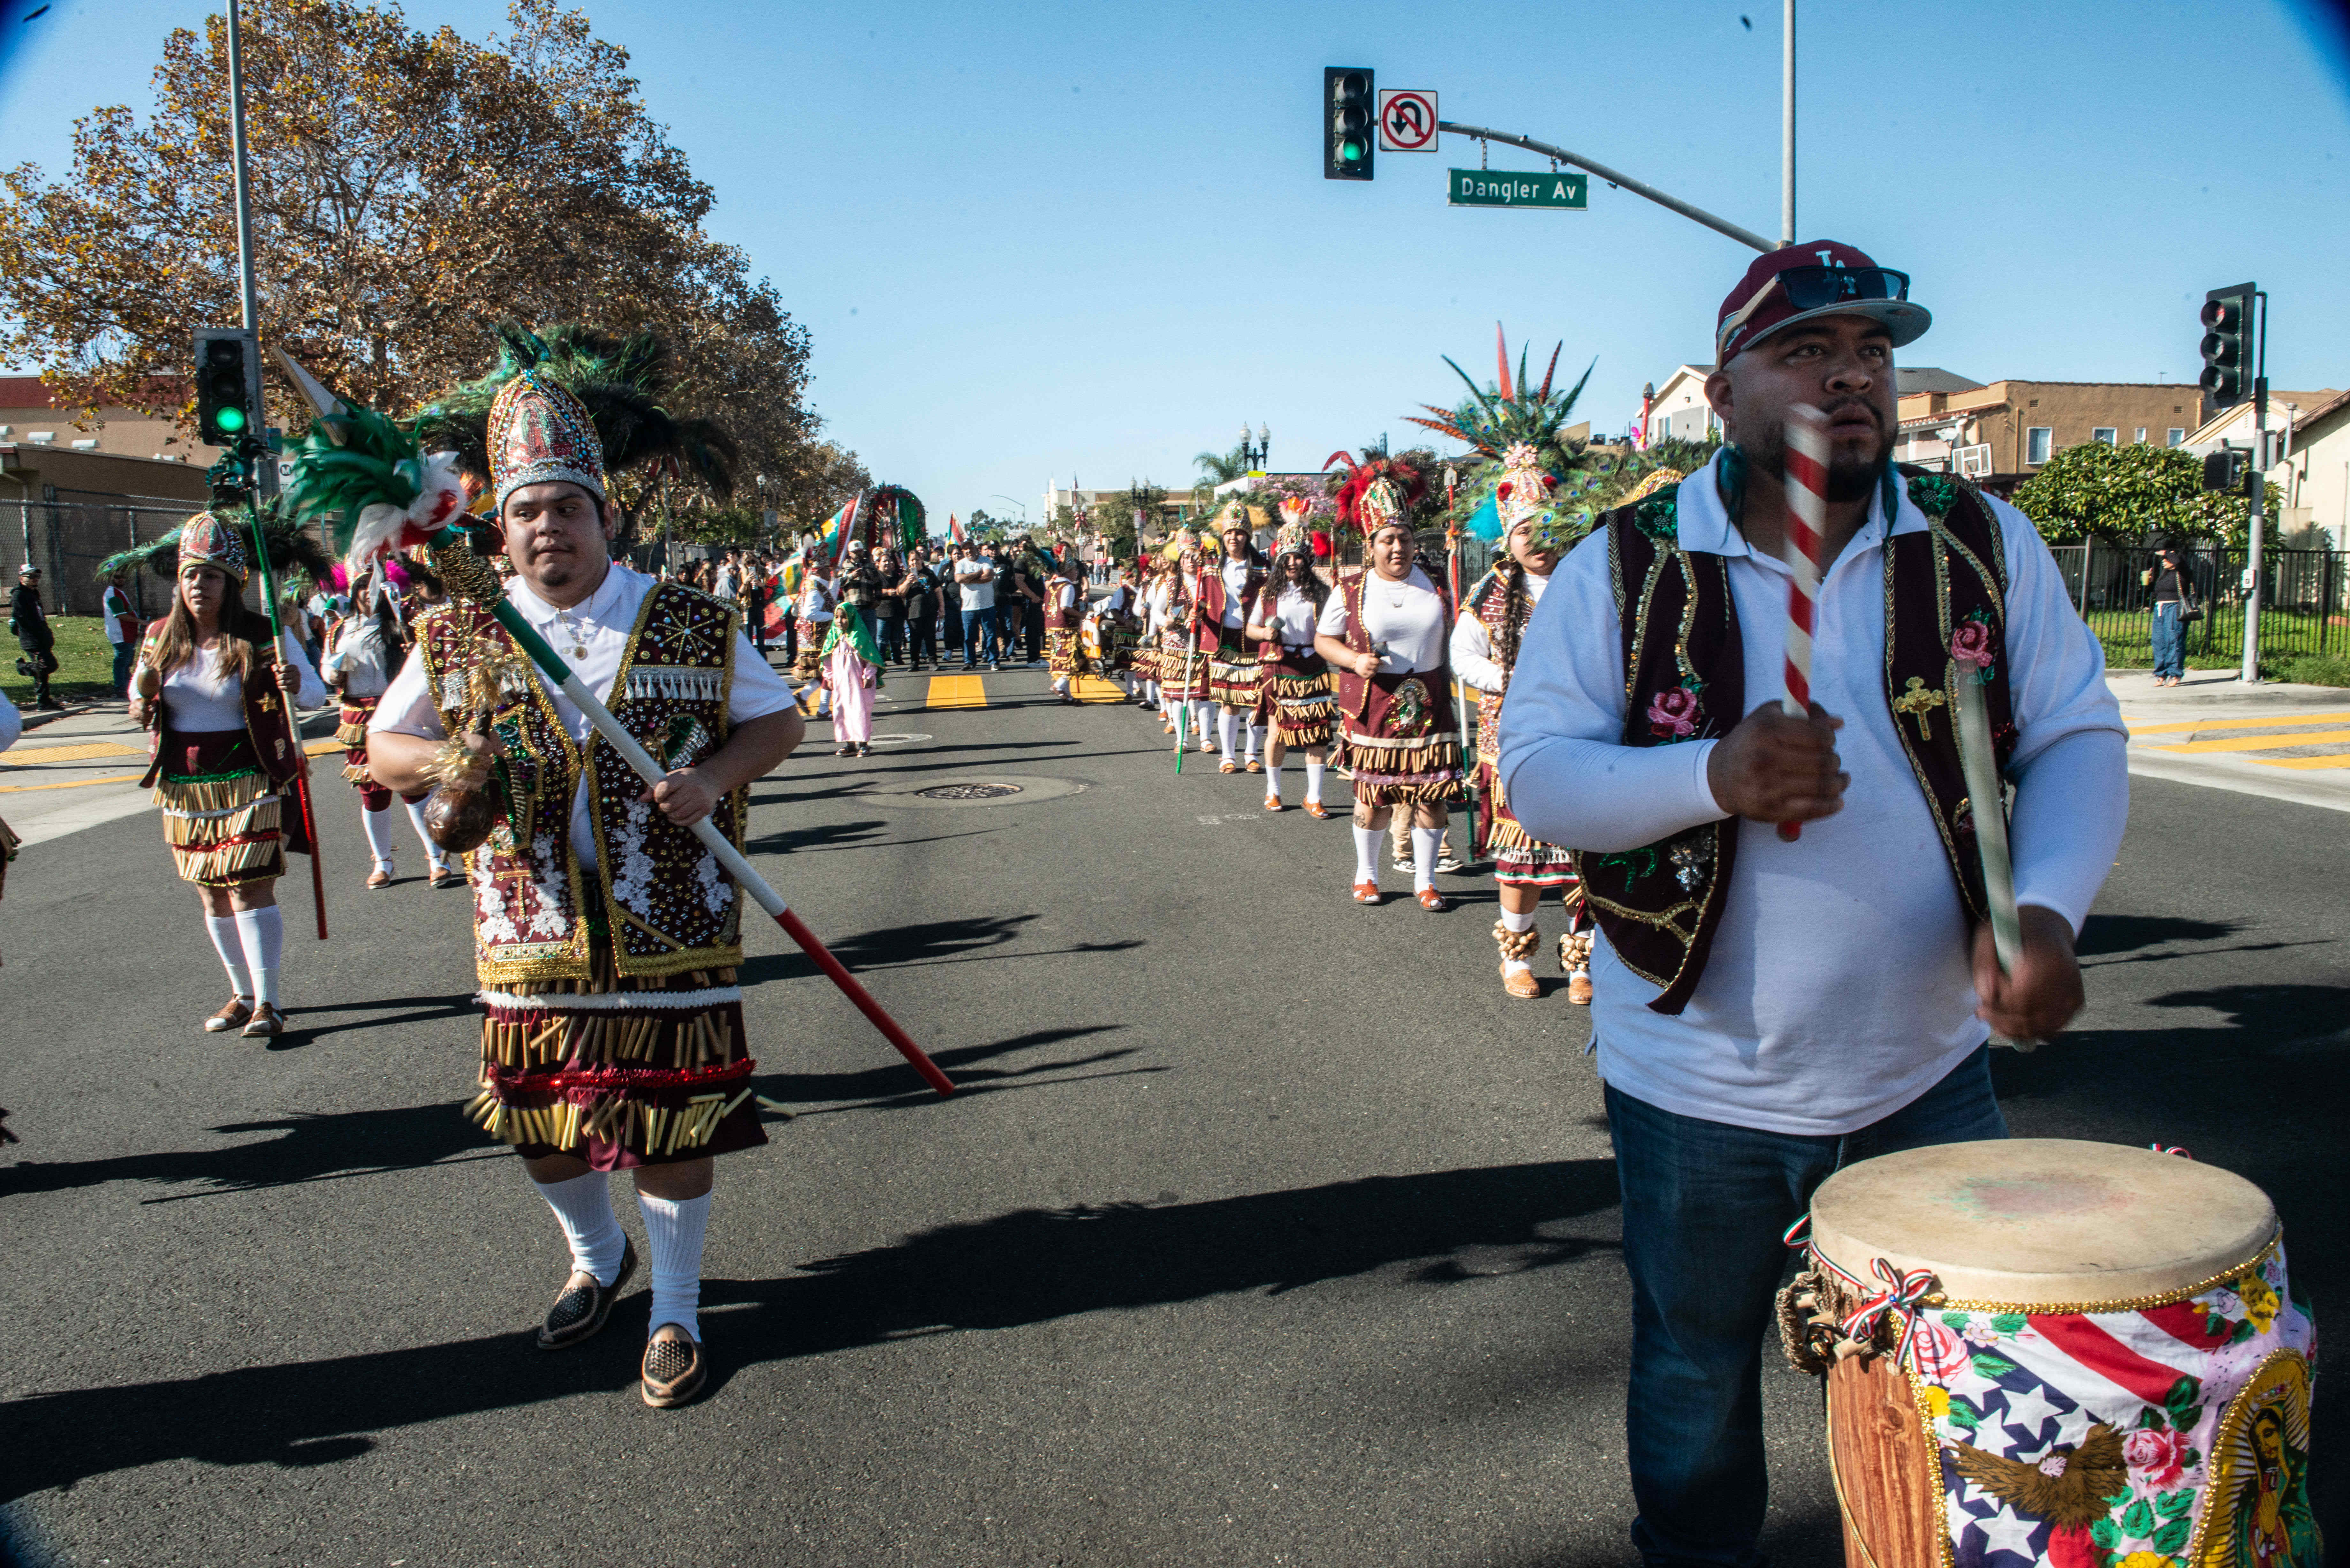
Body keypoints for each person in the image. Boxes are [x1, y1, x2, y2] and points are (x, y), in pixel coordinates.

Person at [1495, 240, 2129, 1568]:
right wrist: (1710, 773)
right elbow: (1540, 775)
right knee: (1694, 1375)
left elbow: (2073, 735)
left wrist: (2048, 913)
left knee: (1947, 1399)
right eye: (1805, 351)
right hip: (1698, 1079)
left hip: (1925, 1074)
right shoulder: (1627, 563)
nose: (1851, 377)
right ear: (1720, 396)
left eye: (1871, 353)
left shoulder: (1976, 541)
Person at [364, 369, 804, 1409]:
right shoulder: (462, 635)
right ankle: (600, 1258)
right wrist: (453, 766)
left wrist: (712, 779)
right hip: (530, 933)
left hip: (672, 922)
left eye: (568, 507)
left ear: (605, 517)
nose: (549, 526)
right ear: (501, 533)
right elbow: (386, 744)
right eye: (528, 511)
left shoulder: (691, 624)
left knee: (670, 1129)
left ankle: (678, 1308)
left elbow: (778, 721)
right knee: (541, 1128)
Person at [126, 513, 328, 1038]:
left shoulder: (263, 633)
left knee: (248, 887)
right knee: (210, 892)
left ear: (232, 583)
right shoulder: (159, 637)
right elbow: (138, 696)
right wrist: (140, 703)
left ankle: (270, 1001)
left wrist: (292, 678)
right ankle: (240, 994)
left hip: (252, 776)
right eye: (191, 575)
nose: (199, 585)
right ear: (179, 581)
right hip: (185, 784)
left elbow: (313, 696)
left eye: (211, 575)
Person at [1451, 445, 1603, 1002]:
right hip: (1514, 745)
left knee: (1583, 861)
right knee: (1522, 864)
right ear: (1507, 539)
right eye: (1524, 532)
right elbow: (1463, 656)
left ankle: (1583, 961)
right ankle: (1515, 957)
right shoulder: (1488, 591)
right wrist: (1509, 678)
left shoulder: (1588, 581)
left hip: (1585, 741)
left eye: (1545, 529)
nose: (1535, 542)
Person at [1315, 456, 1460, 909]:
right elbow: (1324, 640)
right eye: (1388, 540)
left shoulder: (1439, 583)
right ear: (1371, 544)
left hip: (1432, 702)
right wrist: (1354, 661)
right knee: (1375, 798)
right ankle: (1368, 874)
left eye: (1405, 538)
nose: (1398, 548)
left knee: (1432, 796)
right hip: (1375, 704)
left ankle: (1426, 880)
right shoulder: (1350, 589)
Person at [322, 568, 459, 889]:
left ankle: (437, 858)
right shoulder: (340, 629)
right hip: (357, 716)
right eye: (363, 589)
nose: (369, 596)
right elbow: (328, 667)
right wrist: (333, 672)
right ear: (353, 593)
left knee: (414, 787)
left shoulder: (400, 626)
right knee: (373, 795)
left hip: (396, 713)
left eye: (375, 590)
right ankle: (382, 863)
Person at [1245, 508, 1337, 817]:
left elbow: (1335, 629)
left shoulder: (1323, 593)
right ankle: (1274, 791)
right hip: (1279, 667)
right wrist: (1266, 632)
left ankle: (1314, 796)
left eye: (1298, 557)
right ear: (1279, 561)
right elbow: (1251, 629)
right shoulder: (1268, 593)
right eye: (1287, 558)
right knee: (1277, 733)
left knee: (1316, 734)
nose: (1293, 563)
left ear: (1307, 558)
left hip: (1313, 667)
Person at [1206, 503, 1269, 775]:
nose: (1234, 538)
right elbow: (1204, 600)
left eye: (1240, 533)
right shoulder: (1211, 568)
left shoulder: (1265, 567)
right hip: (1225, 639)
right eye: (1230, 532)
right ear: (1223, 536)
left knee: (1258, 699)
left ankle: (1252, 754)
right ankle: (1228, 756)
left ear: (1249, 536)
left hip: (1257, 637)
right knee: (1229, 699)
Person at [1151, 529, 1217, 756]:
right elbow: (1157, 613)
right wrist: (1169, 621)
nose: (1191, 561)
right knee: (1179, 694)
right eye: (1186, 557)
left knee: (1206, 693)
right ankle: (1183, 740)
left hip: (1205, 646)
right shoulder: (1169, 585)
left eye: (1195, 556)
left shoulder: (1210, 584)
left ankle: (1207, 738)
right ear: (1180, 560)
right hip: (1177, 648)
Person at [827, 539, 885, 756]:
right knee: (842, 706)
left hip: (867, 609)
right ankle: (848, 742)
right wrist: (829, 675)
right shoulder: (844, 567)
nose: (858, 555)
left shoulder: (870, 565)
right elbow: (838, 583)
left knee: (860, 705)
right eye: (855, 552)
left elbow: (878, 583)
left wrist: (869, 672)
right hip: (851, 607)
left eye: (861, 551)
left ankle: (862, 742)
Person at [2144, 537, 2197, 686]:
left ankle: (2175, 674)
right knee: (2158, 641)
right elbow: (2157, 593)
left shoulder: (2183, 570)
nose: (2164, 561)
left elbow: (2178, 561)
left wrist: (2167, 551)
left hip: (2175, 608)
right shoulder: (2165, 574)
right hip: (2160, 608)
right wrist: (2151, 581)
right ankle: (2161, 674)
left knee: (2174, 640)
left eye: (2166, 559)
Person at [11, 564, 60, 711]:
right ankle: (22, 667)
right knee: (45, 666)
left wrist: (46, 633)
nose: (35, 579)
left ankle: (44, 701)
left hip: (42, 637)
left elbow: (40, 616)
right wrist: (34, 634)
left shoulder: (34, 594)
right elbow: (21, 618)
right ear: (21, 578)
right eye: (31, 577)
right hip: (32, 639)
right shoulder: (19, 595)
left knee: (46, 669)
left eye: (37, 577)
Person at [791, 554, 835, 713]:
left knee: (826, 672)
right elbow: (810, 614)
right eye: (827, 570)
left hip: (814, 639)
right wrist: (834, 616)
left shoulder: (811, 586)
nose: (830, 573)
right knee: (830, 672)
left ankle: (805, 695)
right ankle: (823, 708)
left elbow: (795, 611)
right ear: (821, 571)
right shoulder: (815, 589)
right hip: (818, 639)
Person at [1044, 552, 1089, 704]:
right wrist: (1081, 615)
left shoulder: (1051, 587)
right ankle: (1058, 686)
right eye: (1075, 569)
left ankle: (1068, 695)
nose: (1077, 572)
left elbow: (1045, 608)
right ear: (1069, 571)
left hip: (1053, 629)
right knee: (1079, 659)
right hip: (1066, 629)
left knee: (1062, 661)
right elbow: (1065, 607)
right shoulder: (1068, 586)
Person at [99, 567, 142, 698]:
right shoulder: (113, 593)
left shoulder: (119, 592)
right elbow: (120, 615)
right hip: (121, 634)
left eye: (123, 577)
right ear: (110, 579)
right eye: (117, 577)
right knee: (121, 662)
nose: (121, 579)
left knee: (126, 662)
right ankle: (120, 689)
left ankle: (127, 688)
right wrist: (142, 622)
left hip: (128, 634)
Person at [956, 542, 999, 669]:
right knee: (969, 637)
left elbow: (989, 576)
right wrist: (978, 573)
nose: (969, 551)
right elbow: (959, 579)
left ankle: (993, 661)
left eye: (971, 548)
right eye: (966, 549)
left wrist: (968, 579)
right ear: (963, 551)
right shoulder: (961, 564)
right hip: (968, 608)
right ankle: (970, 661)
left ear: (976, 549)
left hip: (987, 606)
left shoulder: (985, 560)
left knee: (990, 635)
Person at [901, 549, 938, 671]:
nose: (914, 562)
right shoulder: (906, 574)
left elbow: (938, 591)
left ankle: (933, 662)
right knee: (915, 639)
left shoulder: (930, 573)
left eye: (917, 560)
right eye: (912, 560)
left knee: (930, 638)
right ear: (909, 562)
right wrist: (908, 581)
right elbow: (900, 592)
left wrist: (942, 608)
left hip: (930, 610)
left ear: (922, 560)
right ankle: (914, 663)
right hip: (913, 612)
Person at [870, 545, 908, 665]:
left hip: (898, 611)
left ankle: (897, 658)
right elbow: (872, 592)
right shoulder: (875, 576)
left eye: (889, 561)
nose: (888, 563)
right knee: (881, 640)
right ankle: (880, 661)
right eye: (884, 561)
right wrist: (888, 592)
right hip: (882, 612)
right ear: (878, 563)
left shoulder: (898, 576)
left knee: (897, 638)